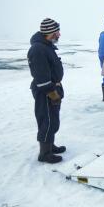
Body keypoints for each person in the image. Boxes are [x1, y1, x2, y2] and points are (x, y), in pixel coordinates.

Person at [28, 18, 65, 163]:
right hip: (46, 92)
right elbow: (41, 75)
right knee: (47, 121)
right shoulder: (38, 49)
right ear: (50, 32)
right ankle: (44, 154)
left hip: (52, 88)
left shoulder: (47, 46)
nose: (59, 34)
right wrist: (52, 93)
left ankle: (50, 146)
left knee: (52, 120)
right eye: (57, 32)